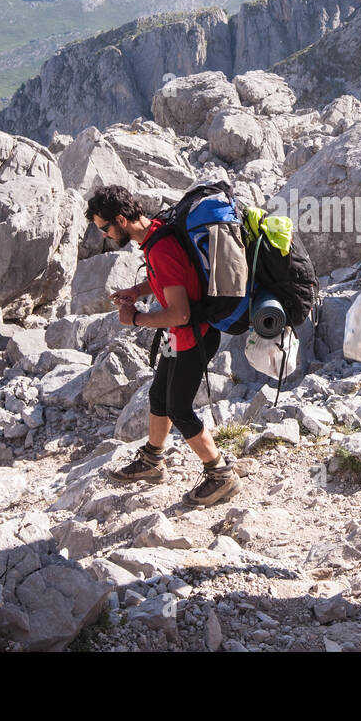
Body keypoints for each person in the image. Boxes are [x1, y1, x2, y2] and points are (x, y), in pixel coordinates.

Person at [85, 185, 242, 507]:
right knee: (159, 395)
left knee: (179, 408)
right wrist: (138, 289)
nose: (104, 235)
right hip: (178, 335)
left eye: (104, 228)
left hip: (192, 336)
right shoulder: (157, 233)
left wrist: (136, 320)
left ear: (120, 220)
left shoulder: (160, 248)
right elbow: (173, 279)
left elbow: (180, 312)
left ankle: (221, 474)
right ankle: (152, 461)